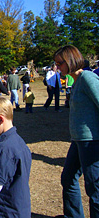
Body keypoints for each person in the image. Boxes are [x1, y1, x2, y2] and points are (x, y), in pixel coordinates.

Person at [54, 45, 99, 218]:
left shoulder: (88, 78)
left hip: (92, 141)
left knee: (94, 188)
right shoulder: (76, 80)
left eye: (60, 63)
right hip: (78, 140)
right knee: (68, 178)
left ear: (70, 61)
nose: (57, 67)